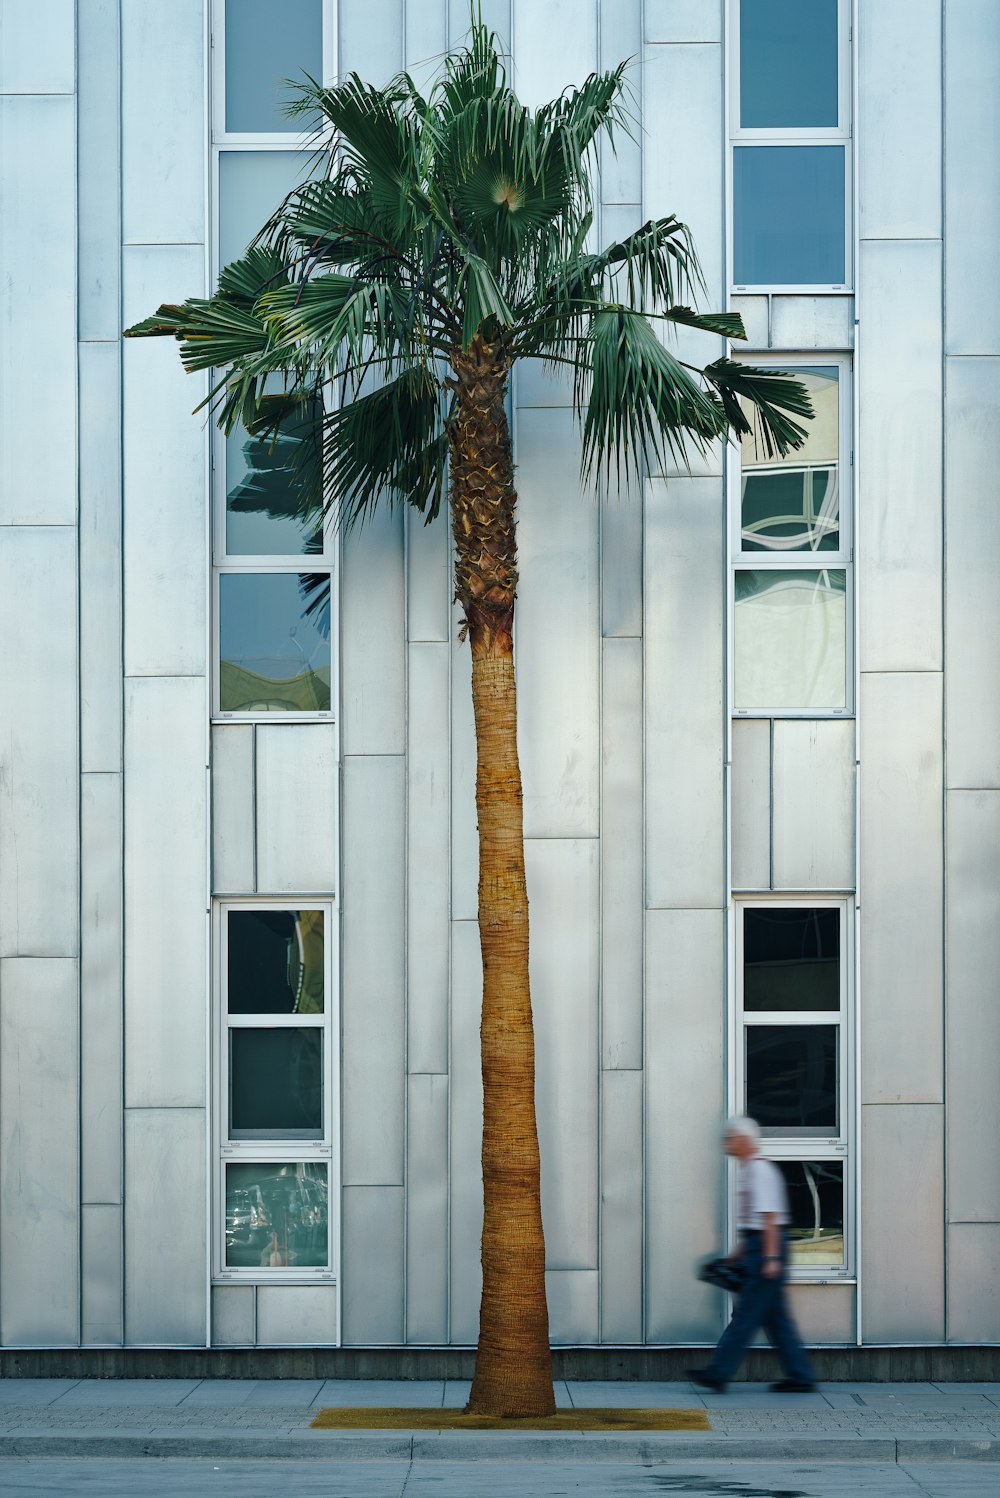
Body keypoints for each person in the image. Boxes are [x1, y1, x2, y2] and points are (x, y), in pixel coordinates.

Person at [686, 1115, 816, 1394]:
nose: (726, 1143)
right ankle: (800, 1375)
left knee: (745, 1314)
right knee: (776, 1318)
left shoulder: (759, 1171)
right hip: (761, 1245)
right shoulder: (751, 1170)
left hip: (767, 1248)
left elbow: (770, 1217)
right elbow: (754, 1225)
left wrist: (769, 1259)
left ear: (744, 1140)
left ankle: (718, 1373)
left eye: (730, 1138)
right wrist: (735, 1257)